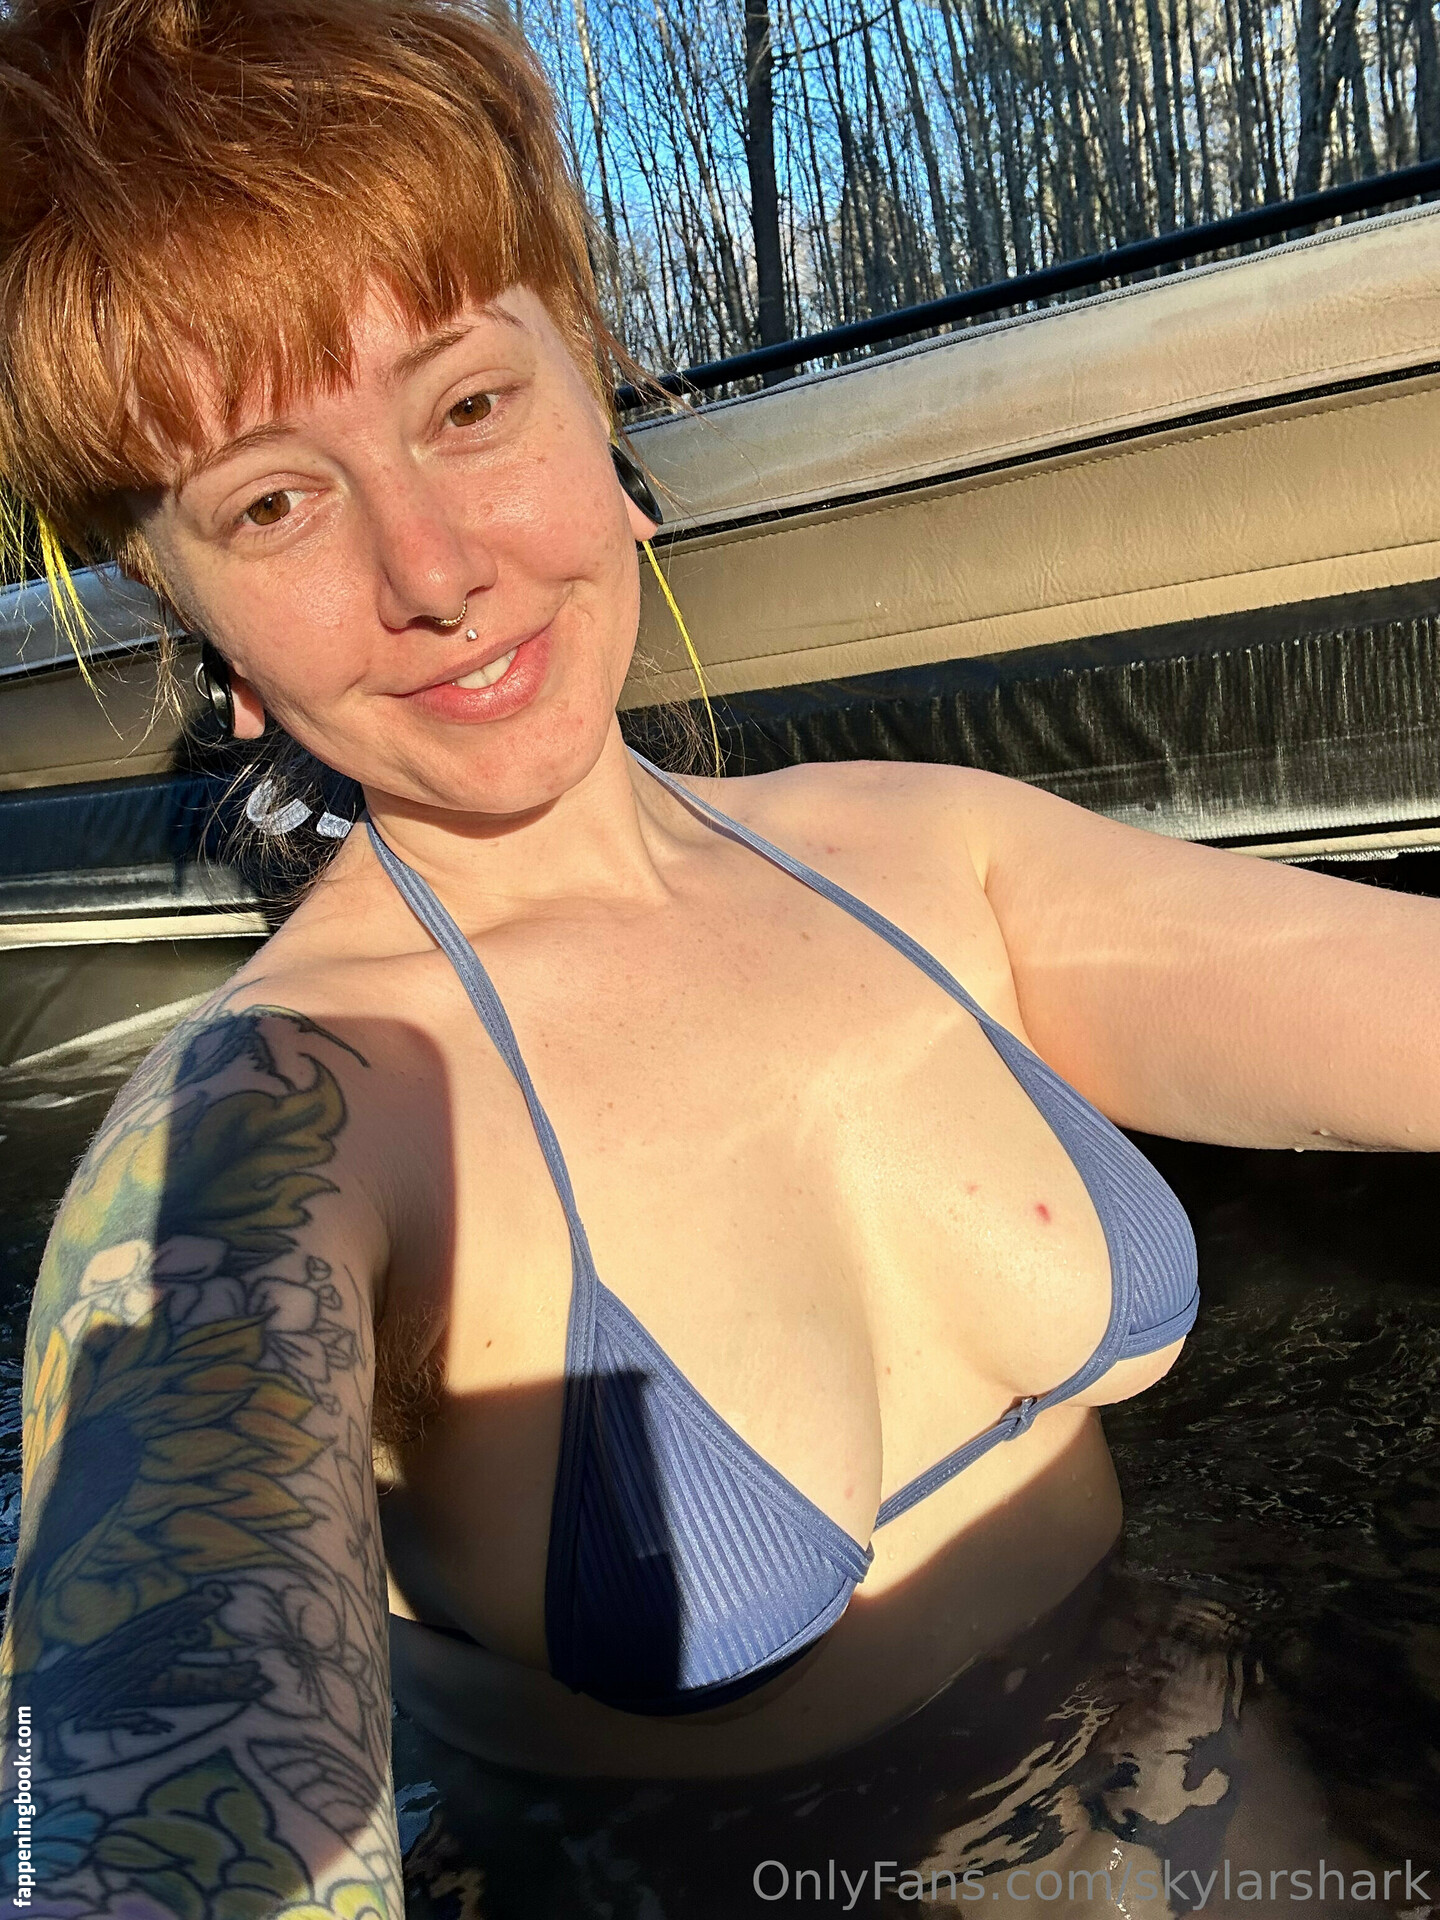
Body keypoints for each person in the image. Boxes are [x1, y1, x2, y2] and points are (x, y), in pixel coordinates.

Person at [1, 2, 1436, 1916]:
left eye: (468, 406)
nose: (433, 568)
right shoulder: (272, 1130)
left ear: (594, 384)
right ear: (182, 600)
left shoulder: (933, 854)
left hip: (1211, 1794)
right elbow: (165, 1802)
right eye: (272, 501)